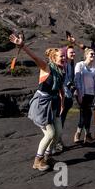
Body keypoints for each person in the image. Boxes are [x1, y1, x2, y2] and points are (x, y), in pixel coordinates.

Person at [9, 33, 65, 172]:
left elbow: (60, 88)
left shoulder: (61, 70)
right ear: (53, 58)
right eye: (61, 56)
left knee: (58, 133)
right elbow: (34, 57)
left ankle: (48, 157)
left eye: (64, 56)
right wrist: (23, 46)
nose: (64, 58)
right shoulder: (46, 67)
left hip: (54, 103)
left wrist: (62, 103)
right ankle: (37, 161)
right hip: (42, 103)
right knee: (50, 134)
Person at [73, 49, 95, 144]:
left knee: (87, 114)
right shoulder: (80, 65)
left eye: (94, 54)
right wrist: (79, 93)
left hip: (90, 94)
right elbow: (76, 80)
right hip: (82, 93)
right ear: (86, 55)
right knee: (84, 113)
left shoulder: (93, 68)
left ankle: (83, 135)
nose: (93, 55)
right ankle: (79, 134)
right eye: (91, 53)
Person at [55, 45, 76, 152]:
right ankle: (56, 143)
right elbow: (64, 80)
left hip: (67, 95)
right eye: (71, 52)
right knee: (59, 120)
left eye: (74, 52)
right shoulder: (64, 65)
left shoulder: (71, 64)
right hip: (62, 96)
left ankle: (58, 141)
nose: (73, 54)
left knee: (61, 120)